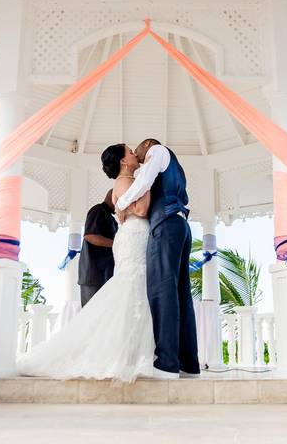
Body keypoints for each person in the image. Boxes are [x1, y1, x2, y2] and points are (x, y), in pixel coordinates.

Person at [18, 144, 154, 382]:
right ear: (123, 161)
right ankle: (119, 355)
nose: (135, 154)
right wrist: (147, 178)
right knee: (130, 291)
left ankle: (131, 354)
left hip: (132, 238)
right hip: (130, 242)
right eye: (130, 152)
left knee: (133, 294)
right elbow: (141, 209)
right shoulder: (125, 183)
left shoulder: (126, 184)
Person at [115, 138, 199, 380]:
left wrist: (121, 203)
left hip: (165, 224)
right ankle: (189, 364)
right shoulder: (173, 165)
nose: (138, 156)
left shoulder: (157, 150)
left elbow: (145, 180)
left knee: (161, 291)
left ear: (148, 144)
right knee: (181, 294)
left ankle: (167, 363)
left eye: (137, 149)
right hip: (180, 224)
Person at [78, 190, 118, 307]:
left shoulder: (111, 219)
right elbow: (91, 237)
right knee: (91, 316)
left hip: (104, 274)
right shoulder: (98, 210)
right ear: (112, 198)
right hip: (93, 275)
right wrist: (117, 244)